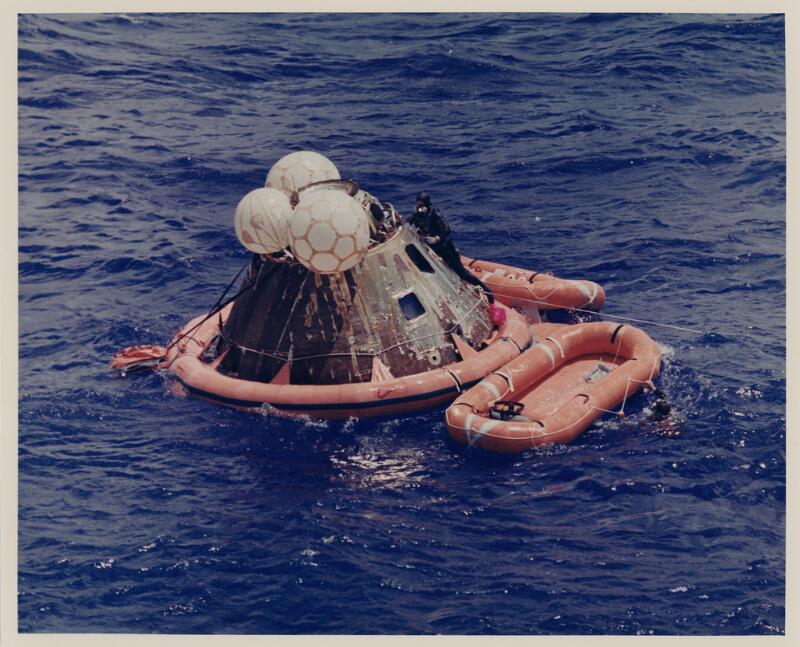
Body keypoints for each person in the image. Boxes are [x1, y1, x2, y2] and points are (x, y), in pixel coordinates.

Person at [408, 192, 494, 304]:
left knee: (461, 272)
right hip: (432, 248)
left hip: (445, 248)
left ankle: (487, 291)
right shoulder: (416, 216)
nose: (420, 208)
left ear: (427, 205)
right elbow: (406, 222)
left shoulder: (435, 213)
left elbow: (447, 229)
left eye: (422, 205)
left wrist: (437, 238)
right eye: (418, 205)